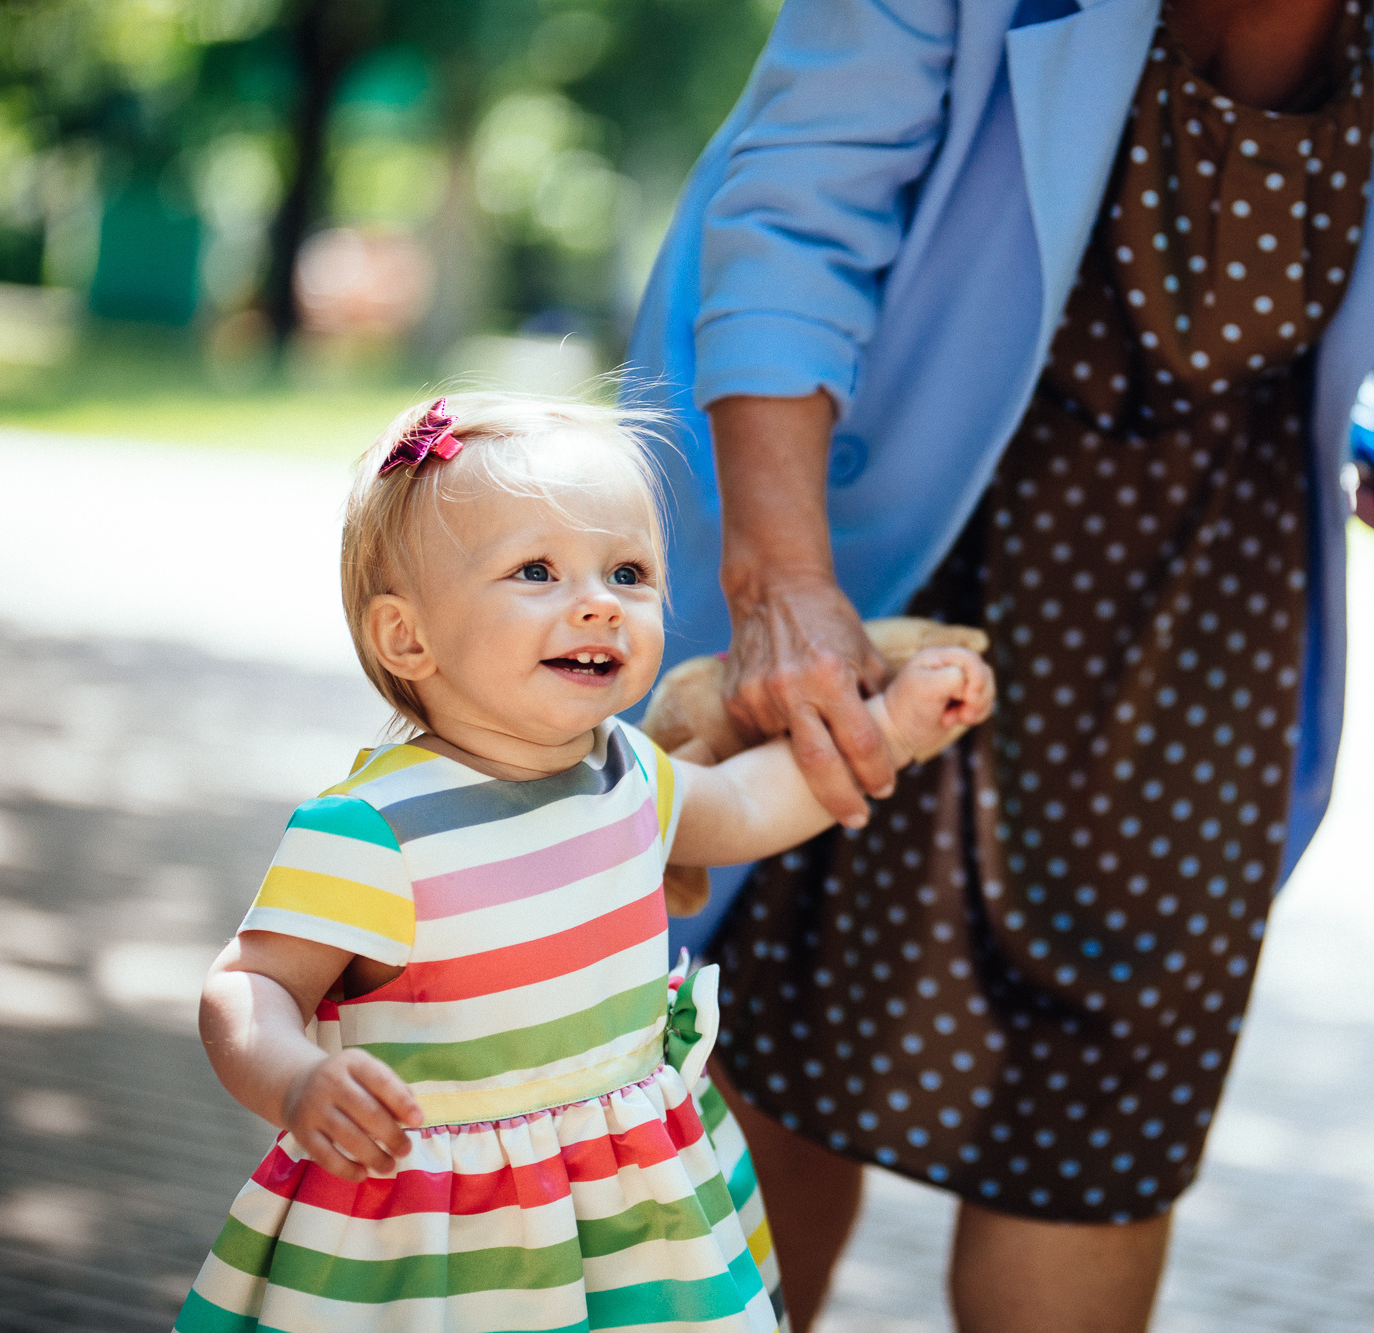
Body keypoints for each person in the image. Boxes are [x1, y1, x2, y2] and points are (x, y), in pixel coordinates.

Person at [626, 0, 1374, 1328]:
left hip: (1206, 595)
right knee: (773, 1051)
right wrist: (780, 578)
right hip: (899, 530)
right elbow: (798, 201)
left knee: (1102, 1130)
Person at [174, 393, 994, 1333]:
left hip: (632, 1207)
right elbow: (249, 984)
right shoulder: (373, 829)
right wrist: (293, 1079)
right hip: (447, 1244)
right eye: (537, 570)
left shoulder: (626, 770)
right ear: (409, 636)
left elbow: (752, 802)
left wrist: (888, 728)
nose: (600, 601)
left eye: (629, 571)